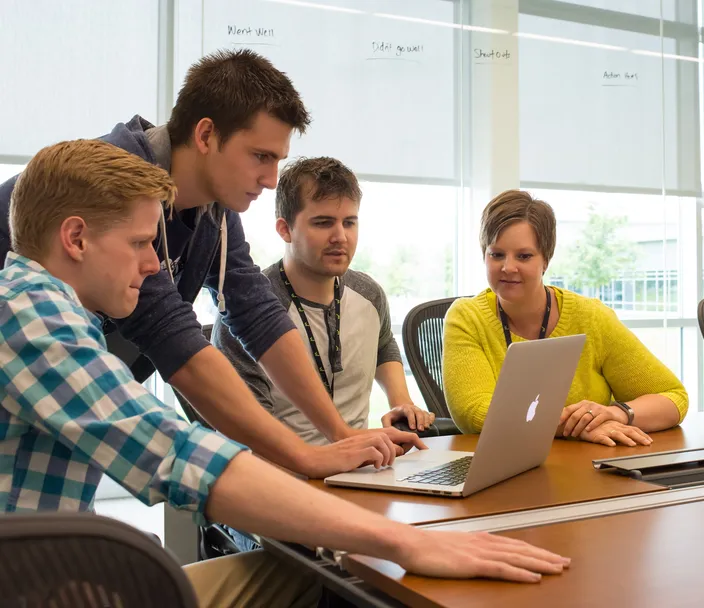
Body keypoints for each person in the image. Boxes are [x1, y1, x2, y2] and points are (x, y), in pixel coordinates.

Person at [0, 140, 571, 607]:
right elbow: (183, 457)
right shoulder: (29, 319)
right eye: (141, 243)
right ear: (75, 238)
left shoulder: (51, 312)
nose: (155, 266)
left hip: (59, 575)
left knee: (316, 577)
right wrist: (403, 542)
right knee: (344, 582)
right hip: (34, 588)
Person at [0, 49, 423, 480]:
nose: (272, 179)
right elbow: (172, 337)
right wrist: (303, 457)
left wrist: (337, 434)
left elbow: (258, 315)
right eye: (260, 156)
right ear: (205, 136)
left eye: (278, 159)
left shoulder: (213, 211)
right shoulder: (121, 192)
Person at [214, 156, 435, 552]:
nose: (340, 236)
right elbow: (251, 438)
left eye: (349, 222)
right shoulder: (251, 310)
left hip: (362, 474)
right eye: (323, 223)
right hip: (280, 481)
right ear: (284, 228)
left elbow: (383, 344)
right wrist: (322, 460)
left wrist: (401, 400)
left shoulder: (368, 293)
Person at [443, 189, 688, 446]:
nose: (508, 267)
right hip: (501, 466)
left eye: (524, 256)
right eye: (497, 254)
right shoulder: (466, 318)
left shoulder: (591, 317)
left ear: (546, 260)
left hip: (588, 467)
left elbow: (673, 397)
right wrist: (574, 427)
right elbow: (474, 412)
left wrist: (614, 414)